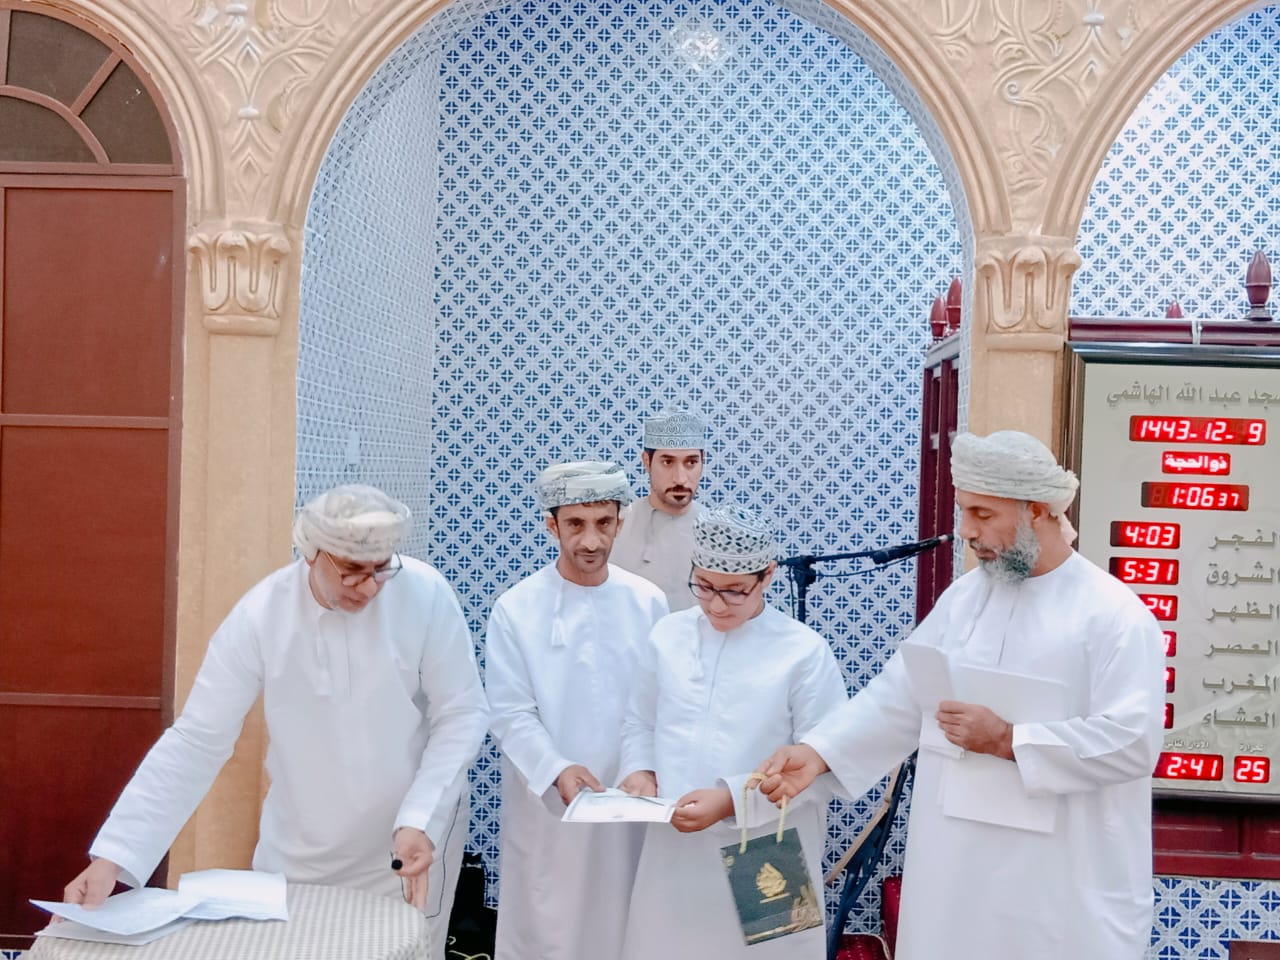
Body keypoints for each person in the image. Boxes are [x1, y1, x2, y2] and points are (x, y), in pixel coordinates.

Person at [757, 430, 1165, 960]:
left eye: (982, 514)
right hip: (957, 877)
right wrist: (818, 754)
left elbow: (1132, 742)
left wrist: (1009, 740)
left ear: (1037, 510)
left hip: (1058, 886)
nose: (966, 530)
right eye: (963, 512)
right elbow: (901, 697)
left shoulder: (1113, 616)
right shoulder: (967, 599)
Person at [63, 485, 489, 960]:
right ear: (311, 552)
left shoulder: (425, 594)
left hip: (407, 847)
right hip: (298, 853)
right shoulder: (262, 613)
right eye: (352, 571)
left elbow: (462, 713)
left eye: (380, 569)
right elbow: (197, 741)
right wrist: (114, 858)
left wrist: (420, 818)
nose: (369, 587)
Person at [617, 503, 848, 960]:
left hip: (768, 852)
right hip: (675, 848)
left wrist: (731, 801)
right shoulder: (667, 636)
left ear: (767, 576)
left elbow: (828, 763)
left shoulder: (803, 652)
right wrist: (639, 770)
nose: (716, 605)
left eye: (734, 591)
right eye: (704, 586)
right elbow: (639, 722)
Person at [485, 461, 668, 960]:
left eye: (603, 523)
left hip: (630, 799)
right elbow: (510, 713)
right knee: (552, 933)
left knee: (627, 926)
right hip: (550, 806)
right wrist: (557, 769)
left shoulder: (648, 602)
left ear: (620, 522)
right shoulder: (516, 608)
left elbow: (656, 704)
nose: (591, 540)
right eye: (575, 524)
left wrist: (641, 767)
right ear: (552, 525)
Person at [610, 405, 708, 610]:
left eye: (691, 463)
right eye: (667, 462)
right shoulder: (615, 527)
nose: (680, 478)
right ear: (647, 461)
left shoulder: (718, 534)